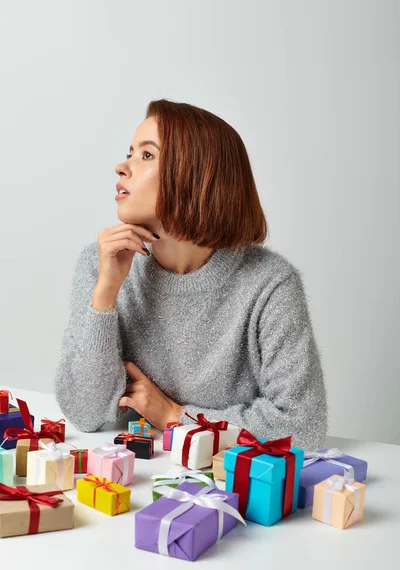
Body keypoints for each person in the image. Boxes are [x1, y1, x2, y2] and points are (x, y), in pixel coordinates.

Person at [54, 99, 328, 451]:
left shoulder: (269, 283)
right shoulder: (101, 263)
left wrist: (175, 417)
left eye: (147, 155)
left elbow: (302, 426)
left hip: (222, 486)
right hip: (133, 477)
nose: (122, 167)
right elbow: (85, 413)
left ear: (195, 176)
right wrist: (105, 294)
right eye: (130, 153)